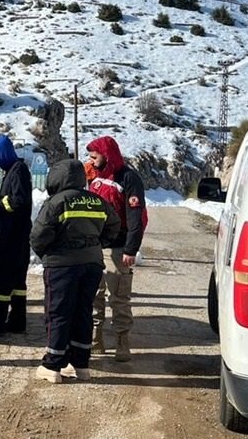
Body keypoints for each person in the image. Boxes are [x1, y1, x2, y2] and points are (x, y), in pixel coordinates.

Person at [30, 159, 120, 383]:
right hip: (92, 265)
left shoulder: (57, 202)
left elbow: (38, 236)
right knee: (83, 312)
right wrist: (95, 245)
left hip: (62, 265)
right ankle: (80, 365)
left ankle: (53, 364)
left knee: (58, 312)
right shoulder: (97, 201)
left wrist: (49, 253)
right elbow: (115, 225)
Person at [84, 135, 147, 363]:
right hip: (94, 248)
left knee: (119, 298)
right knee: (93, 295)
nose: (90, 160)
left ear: (107, 155)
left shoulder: (128, 178)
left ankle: (122, 339)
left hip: (118, 249)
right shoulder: (94, 176)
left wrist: (131, 249)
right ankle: (96, 338)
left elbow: (136, 216)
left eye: (94, 156)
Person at [0, 134, 33, 338]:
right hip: (18, 237)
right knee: (18, 283)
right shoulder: (14, 170)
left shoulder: (17, 171)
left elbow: (17, 201)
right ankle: (18, 321)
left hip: (12, 238)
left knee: (2, 280)